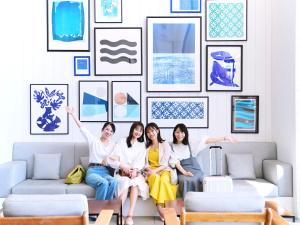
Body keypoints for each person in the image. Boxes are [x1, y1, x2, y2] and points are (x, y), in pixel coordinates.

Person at [170, 123, 237, 198]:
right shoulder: (172, 146)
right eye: (177, 132)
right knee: (184, 180)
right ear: (174, 133)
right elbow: (176, 162)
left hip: (195, 168)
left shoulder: (190, 142)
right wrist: (185, 172)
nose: (180, 135)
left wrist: (224, 138)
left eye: (182, 132)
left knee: (198, 178)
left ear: (185, 133)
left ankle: (198, 201)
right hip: (182, 170)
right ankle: (184, 203)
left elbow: (206, 141)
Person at [66, 106, 117, 200]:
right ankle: (96, 212)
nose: (108, 132)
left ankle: (107, 210)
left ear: (112, 134)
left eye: (111, 131)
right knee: (104, 183)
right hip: (93, 171)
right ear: (102, 130)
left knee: (113, 182)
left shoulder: (113, 145)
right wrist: (73, 114)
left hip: (105, 172)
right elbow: (82, 128)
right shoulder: (93, 140)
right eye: (107, 129)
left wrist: (108, 157)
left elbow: (117, 157)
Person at [109, 122, 148, 225]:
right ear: (132, 129)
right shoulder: (122, 141)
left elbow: (141, 162)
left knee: (135, 184)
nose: (138, 132)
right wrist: (123, 166)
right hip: (122, 172)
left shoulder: (142, 145)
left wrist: (134, 170)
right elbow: (115, 157)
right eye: (136, 129)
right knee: (125, 184)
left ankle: (130, 215)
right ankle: (120, 214)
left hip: (135, 173)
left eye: (140, 131)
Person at [143, 122, 177, 221]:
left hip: (163, 170)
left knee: (164, 181)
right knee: (155, 178)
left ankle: (168, 209)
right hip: (150, 172)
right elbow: (144, 162)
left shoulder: (164, 144)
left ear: (157, 130)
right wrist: (149, 169)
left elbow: (165, 163)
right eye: (148, 132)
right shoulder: (146, 146)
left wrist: (155, 170)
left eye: (152, 131)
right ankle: (159, 208)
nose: (150, 134)